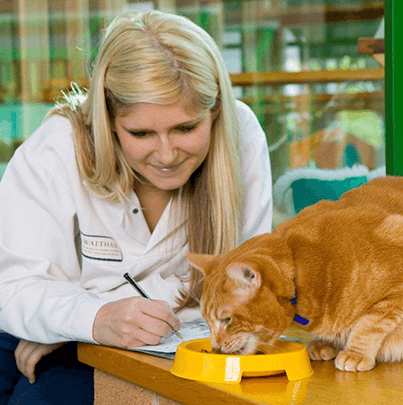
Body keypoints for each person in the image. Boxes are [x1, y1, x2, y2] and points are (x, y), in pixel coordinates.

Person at [0, 9, 272, 405]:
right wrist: (86, 322)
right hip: (38, 329)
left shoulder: (241, 136)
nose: (166, 154)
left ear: (214, 114)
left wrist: (79, 328)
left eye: (185, 128)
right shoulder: (54, 150)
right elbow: (13, 286)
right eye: (141, 133)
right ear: (107, 120)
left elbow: (252, 283)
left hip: (181, 338)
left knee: (41, 398)